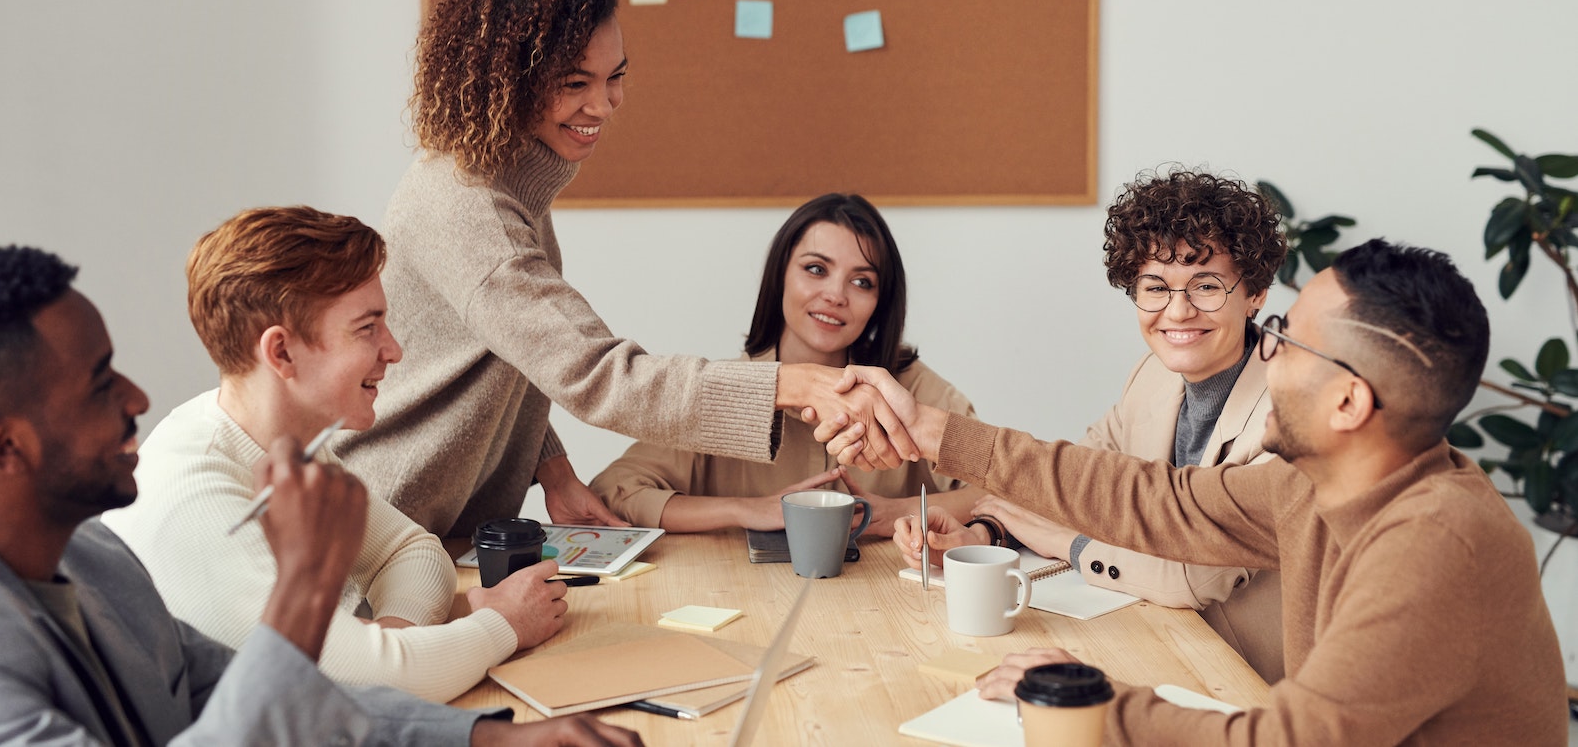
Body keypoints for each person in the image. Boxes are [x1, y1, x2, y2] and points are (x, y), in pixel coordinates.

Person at [831, 239, 1569, 745]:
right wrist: (937, 432)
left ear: (1348, 402)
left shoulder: (1436, 542)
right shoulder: (1316, 484)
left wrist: (1099, 703)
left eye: (1282, 336)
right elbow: (1156, 501)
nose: (1263, 350)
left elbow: (1289, 740)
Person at [334, 0, 915, 538]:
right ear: (506, 82)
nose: (603, 104)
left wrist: (553, 470)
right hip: (383, 529)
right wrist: (787, 384)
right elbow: (599, 374)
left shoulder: (504, 183)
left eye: (615, 77)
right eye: (574, 82)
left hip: (439, 530)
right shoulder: (471, 209)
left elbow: (514, 355)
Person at [0, 245, 643, 746]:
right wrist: (306, 587)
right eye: (100, 384)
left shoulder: (94, 558)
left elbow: (279, 692)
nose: (138, 398)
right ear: (2, 446)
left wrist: (492, 737)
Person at [103, 207, 566, 702]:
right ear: (280, 353)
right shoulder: (196, 496)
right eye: (367, 328)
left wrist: (392, 644)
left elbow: (413, 551)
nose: (394, 351)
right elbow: (358, 687)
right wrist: (502, 624)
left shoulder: (283, 441)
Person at [895, 168, 1288, 680]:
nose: (1178, 310)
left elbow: (1194, 577)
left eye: (1206, 285)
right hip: (1160, 644)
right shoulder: (1152, 375)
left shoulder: (1287, 411)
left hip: (1252, 679)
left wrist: (1067, 544)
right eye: (1155, 287)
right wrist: (985, 533)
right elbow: (1075, 482)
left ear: (1254, 292)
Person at [590, 193, 979, 535]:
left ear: (881, 303)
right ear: (780, 276)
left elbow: (1007, 492)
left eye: (862, 282)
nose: (835, 295)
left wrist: (901, 511)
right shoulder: (726, 392)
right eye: (816, 269)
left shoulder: (913, 390)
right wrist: (747, 509)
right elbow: (614, 491)